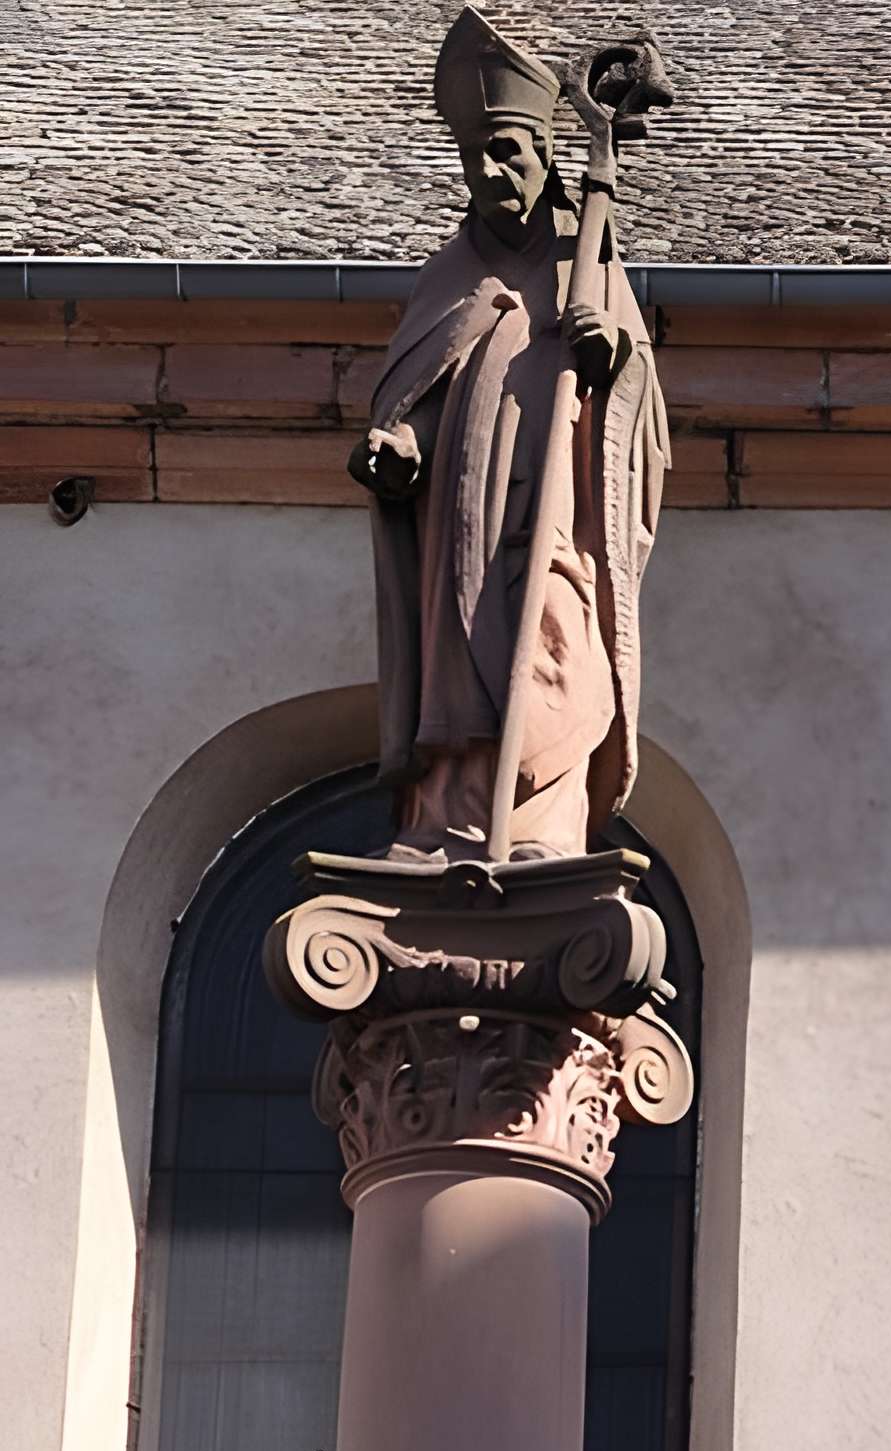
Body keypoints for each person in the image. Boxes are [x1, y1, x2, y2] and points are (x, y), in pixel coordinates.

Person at [350, 6, 668, 862]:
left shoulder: (586, 266)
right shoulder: (447, 279)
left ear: (547, 157)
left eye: (511, 152)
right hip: (465, 526)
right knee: (459, 668)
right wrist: (400, 451)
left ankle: (542, 830)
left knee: (561, 652)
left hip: (556, 517)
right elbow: (413, 395)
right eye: (478, 155)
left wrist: (613, 363)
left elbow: (644, 424)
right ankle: (449, 825)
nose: (493, 169)